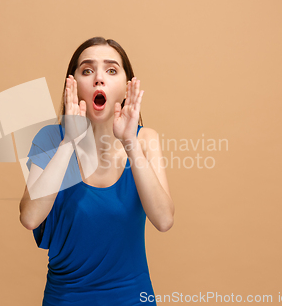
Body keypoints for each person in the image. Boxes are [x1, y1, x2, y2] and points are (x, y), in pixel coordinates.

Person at [19, 37, 174, 305]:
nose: (98, 78)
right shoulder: (50, 139)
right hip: (65, 298)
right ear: (74, 85)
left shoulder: (145, 139)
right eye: (87, 70)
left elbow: (163, 220)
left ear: (127, 89)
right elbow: (30, 217)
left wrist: (129, 143)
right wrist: (69, 142)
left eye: (111, 70)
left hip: (132, 297)